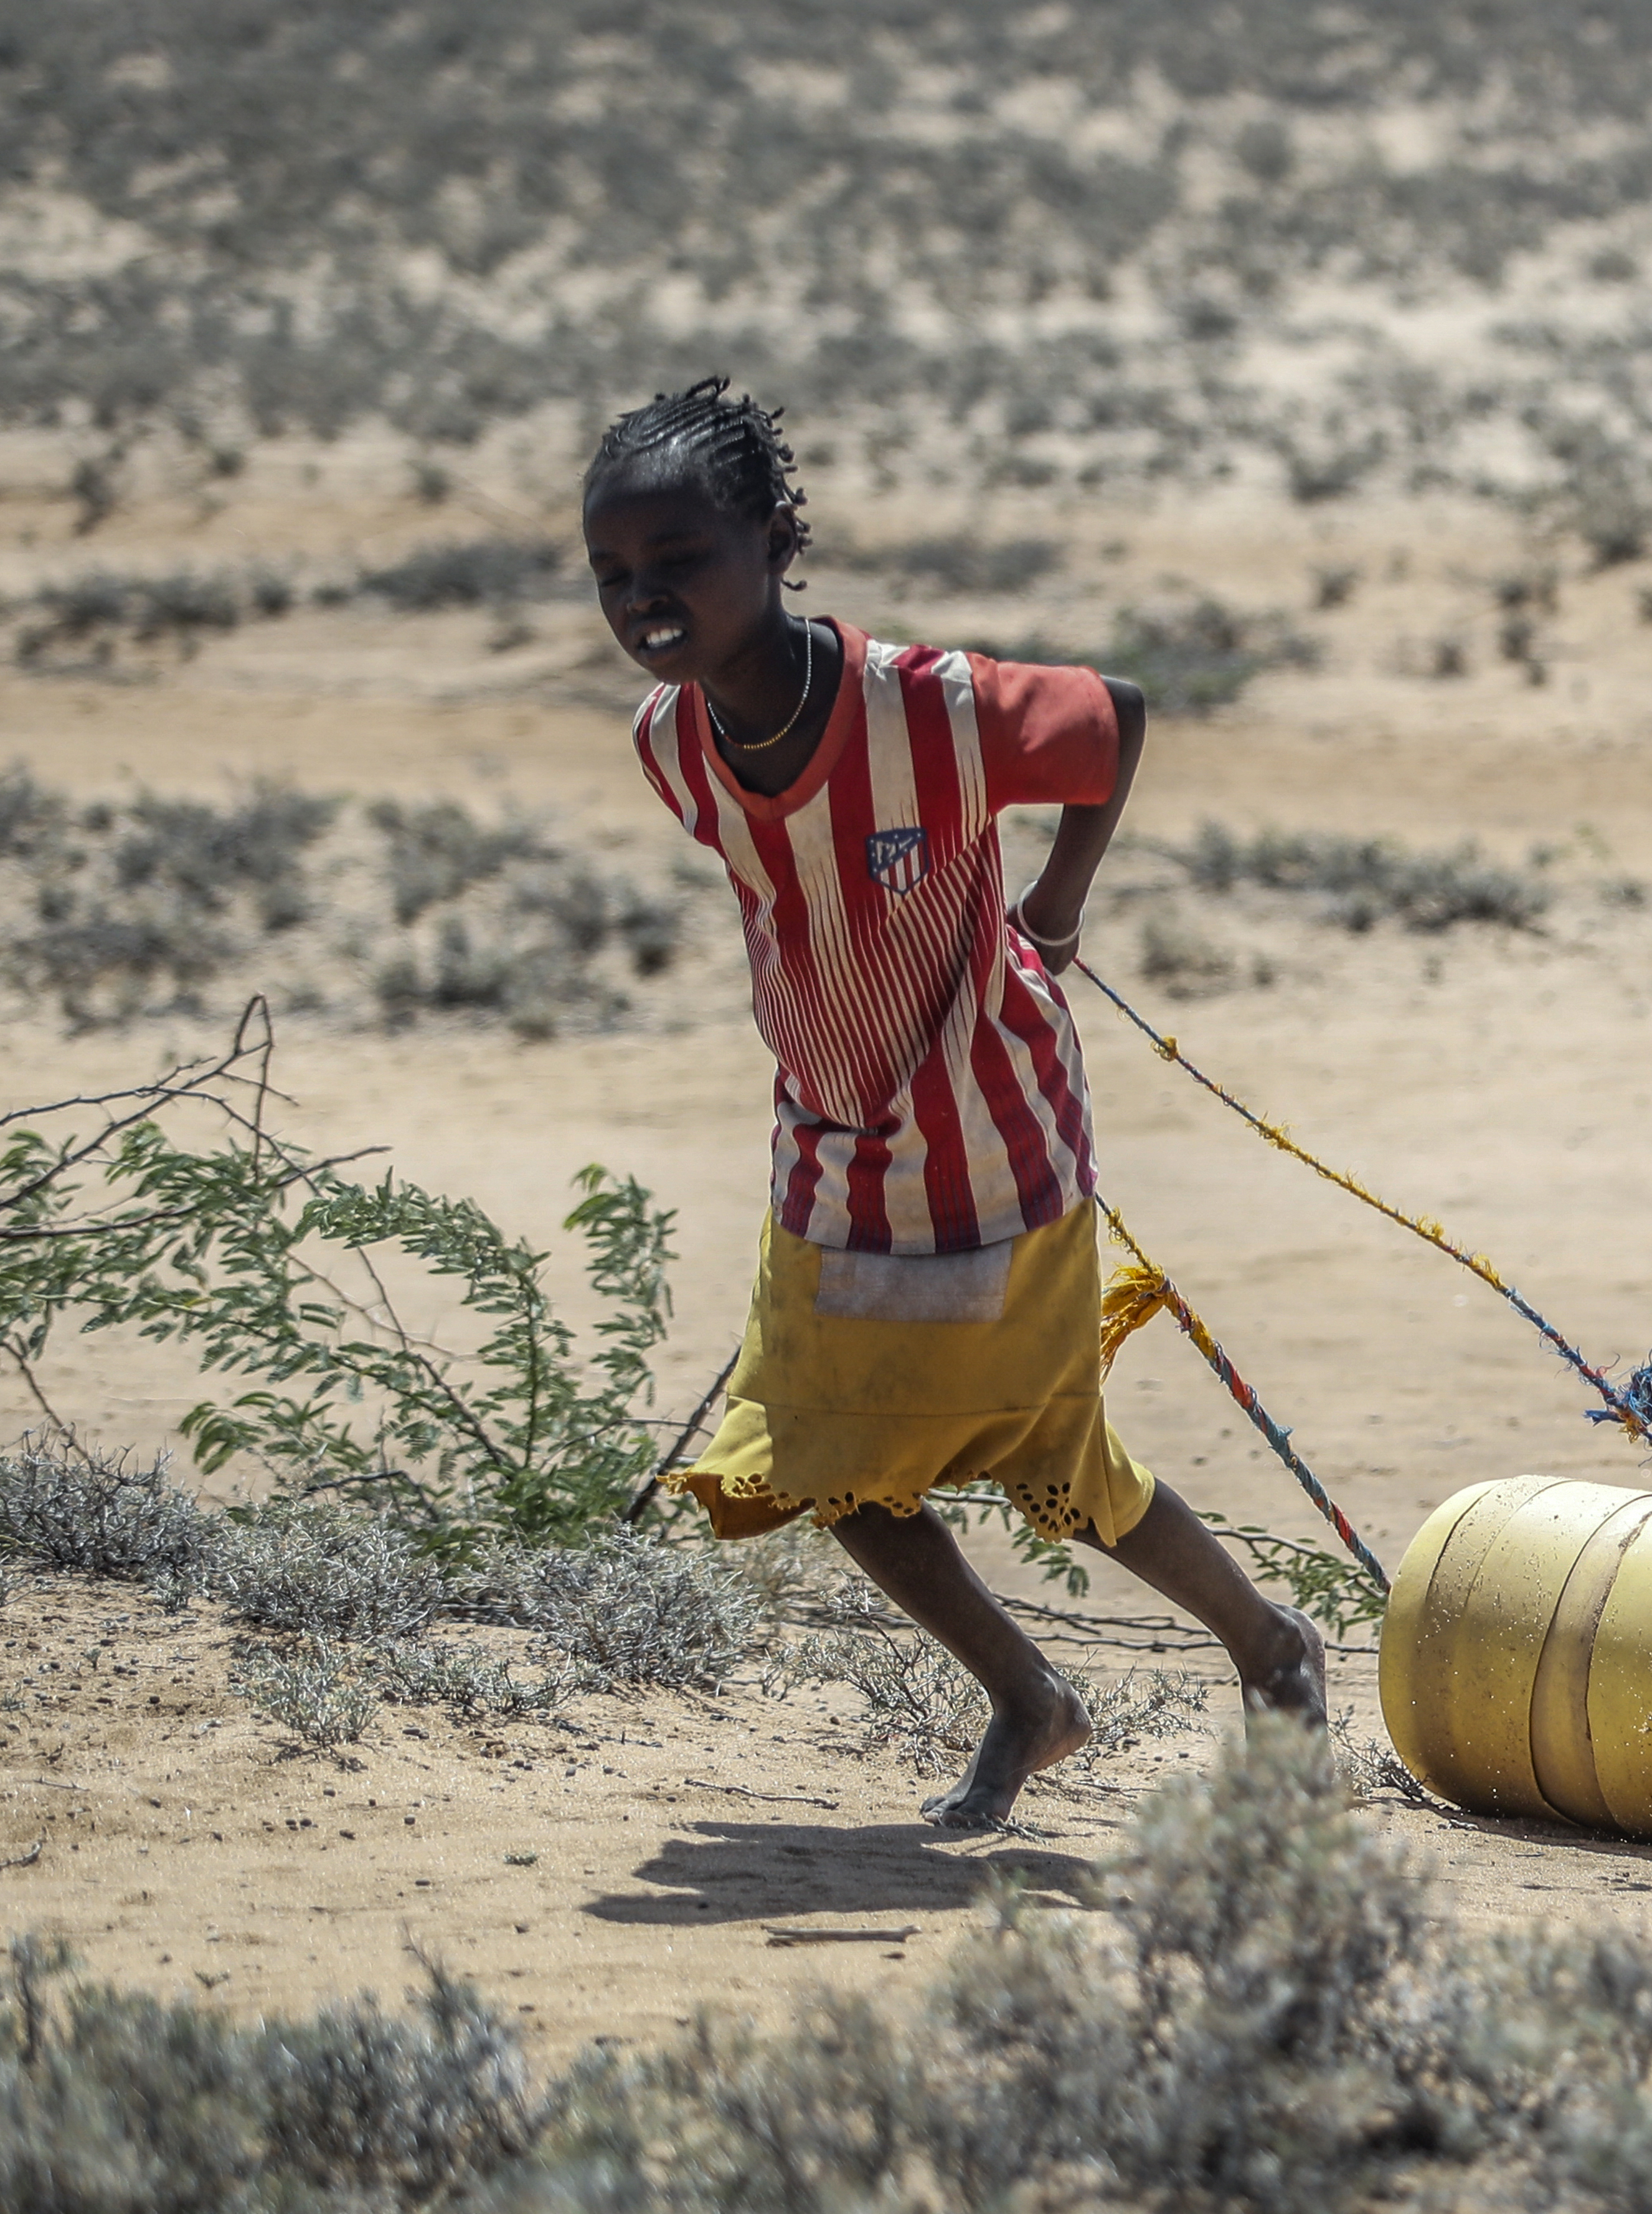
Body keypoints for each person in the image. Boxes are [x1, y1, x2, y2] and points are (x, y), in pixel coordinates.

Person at [581, 377, 1321, 1829]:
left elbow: (1114, 719)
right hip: (832, 1146)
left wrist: (1053, 898)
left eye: (681, 561)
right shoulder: (669, 744)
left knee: (1053, 1459)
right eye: (616, 573)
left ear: (777, 539)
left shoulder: (925, 707)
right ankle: (1030, 1700)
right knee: (824, 1453)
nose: (646, 597)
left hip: (996, 1128)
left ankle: (1271, 1644)